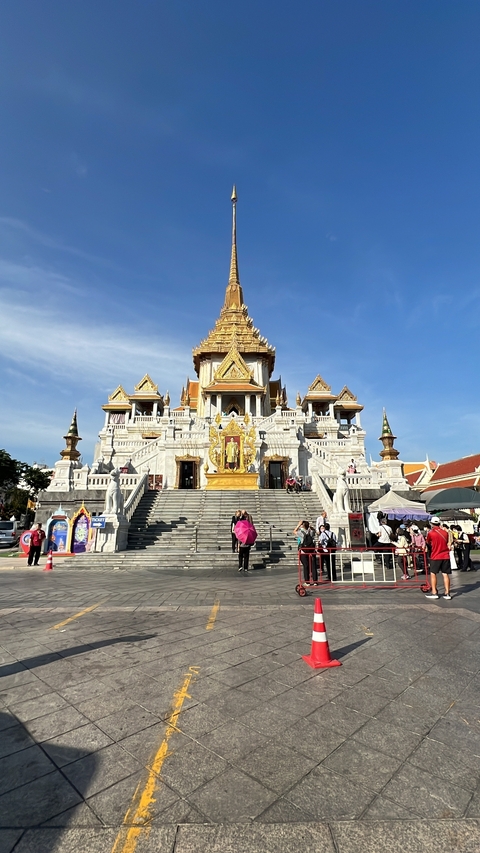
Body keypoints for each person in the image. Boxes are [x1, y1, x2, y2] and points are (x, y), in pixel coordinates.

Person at [425, 516, 452, 600]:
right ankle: (447, 593)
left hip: (436, 555)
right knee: (445, 574)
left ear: (432, 524)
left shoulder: (431, 533)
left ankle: (434, 592)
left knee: (433, 573)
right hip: (445, 555)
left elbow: (428, 542)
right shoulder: (445, 532)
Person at [293, 520, 316, 584]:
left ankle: (307, 581)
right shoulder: (311, 532)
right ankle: (315, 581)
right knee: (313, 566)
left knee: (306, 566)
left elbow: (294, 531)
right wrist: (311, 527)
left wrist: (298, 524)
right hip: (312, 550)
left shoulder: (301, 532)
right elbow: (316, 532)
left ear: (302, 525)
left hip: (304, 551)